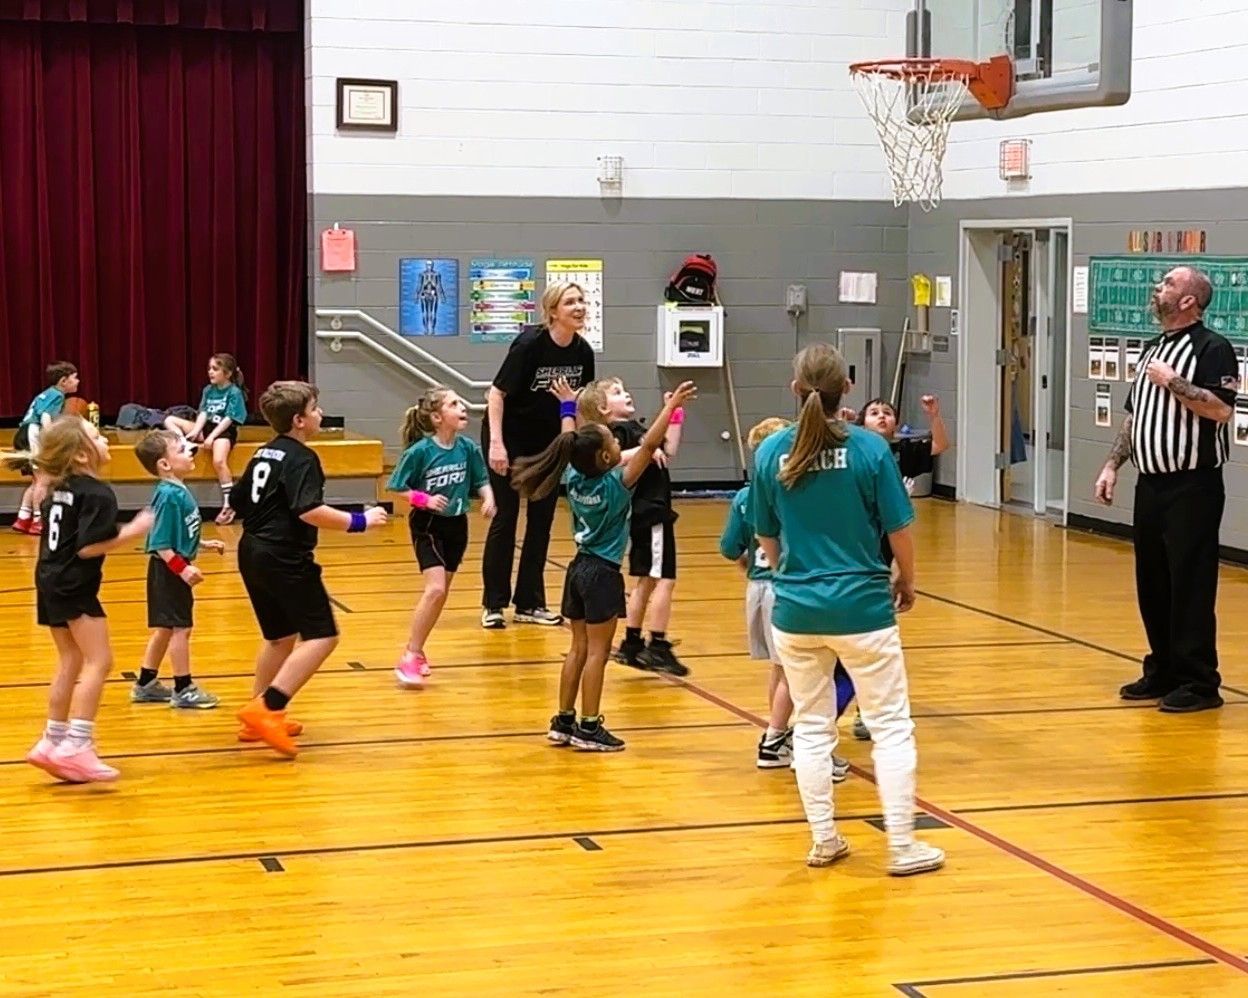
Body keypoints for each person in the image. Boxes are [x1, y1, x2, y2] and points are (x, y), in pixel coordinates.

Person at [750, 343, 943, 876]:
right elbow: (899, 526)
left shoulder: (770, 453)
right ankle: (903, 846)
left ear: (795, 390)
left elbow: (765, 534)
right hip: (862, 607)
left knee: (811, 730)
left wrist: (786, 571)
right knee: (890, 727)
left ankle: (824, 839)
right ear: (848, 392)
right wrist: (908, 578)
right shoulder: (868, 449)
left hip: (796, 611)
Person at [512, 380, 697, 752]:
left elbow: (571, 440)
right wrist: (671, 406)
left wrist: (568, 406)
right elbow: (649, 445)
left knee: (577, 649)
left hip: (576, 569)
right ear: (607, 458)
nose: (618, 444)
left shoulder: (573, 475)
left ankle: (563, 720)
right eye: (613, 443)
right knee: (597, 653)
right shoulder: (618, 483)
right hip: (601, 575)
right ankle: (589, 726)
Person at [1095, 265, 1236, 714]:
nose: (1158, 289)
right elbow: (1134, 416)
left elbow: (1220, 411)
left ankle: (1199, 682)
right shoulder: (1153, 347)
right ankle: (1164, 669)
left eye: (1168, 284)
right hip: (1150, 483)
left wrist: (1172, 382)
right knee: (1152, 580)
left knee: (1190, 583)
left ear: (1189, 300)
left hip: (1192, 486)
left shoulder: (1214, 348)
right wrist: (1112, 464)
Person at [231, 381, 387, 756]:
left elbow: (238, 499)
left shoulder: (263, 453)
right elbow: (309, 510)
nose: (320, 414)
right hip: (284, 556)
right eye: (315, 409)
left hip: (251, 550)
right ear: (299, 420)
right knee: (322, 636)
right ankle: (269, 707)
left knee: (280, 637)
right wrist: (360, 522)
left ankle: (256, 716)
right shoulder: (303, 458)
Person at [5, 416, 154, 782]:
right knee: (99, 661)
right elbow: (87, 548)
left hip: (49, 578)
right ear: (83, 455)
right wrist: (131, 533)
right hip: (74, 582)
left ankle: (51, 740)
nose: (104, 440)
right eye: (96, 437)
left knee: (70, 659)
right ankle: (77, 744)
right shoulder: (97, 493)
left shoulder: (55, 488)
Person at [720, 416, 854, 775]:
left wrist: (753, 570)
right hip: (787, 587)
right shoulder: (793, 490)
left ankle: (775, 738)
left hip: (758, 587)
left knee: (781, 669)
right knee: (803, 673)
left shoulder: (745, 496)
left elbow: (729, 547)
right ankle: (780, 740)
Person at [480, 282, 596, 630]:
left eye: (581, 301)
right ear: (552, 311)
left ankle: (530, 603)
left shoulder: (583, 352)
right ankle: (494, 603)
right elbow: (496, 394)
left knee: (541, 521)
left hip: (548, 442)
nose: (578, 307)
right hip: (510, 436)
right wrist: (497, 444)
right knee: (507, 516)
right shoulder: (530, 343)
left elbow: (582, 405)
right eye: (570, 302)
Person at [576, 377, 688, 675]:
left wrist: (673, 413)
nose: (626, 393)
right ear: (602, 408)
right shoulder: (617, 434)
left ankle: (632, 642)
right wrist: (643, 452)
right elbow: (610, 461)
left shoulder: (633, 429)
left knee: (646, 579)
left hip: (645, 514)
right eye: (616, 392)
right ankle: (658, 646)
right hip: (650, 512)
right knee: (664, 579)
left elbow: (669, 449)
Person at [387, 387, 496, 687]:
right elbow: (396, 488)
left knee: (440, 594)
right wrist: (422, 499)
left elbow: (481, 479)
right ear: (437, 417)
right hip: (428, 525)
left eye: (460, 402)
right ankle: (409, 655)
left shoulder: (468, 448)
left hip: (457, 525)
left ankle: (418, 650)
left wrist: (488, 498)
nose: (462, 407)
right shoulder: (420, 451)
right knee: (435, 590)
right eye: (453, 404)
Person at [129, 430, 225, 709]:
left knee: (164, 629)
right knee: (181, 629)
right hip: (168, 571)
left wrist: (202, 543)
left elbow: (177, 533)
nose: (190, 452)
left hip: (169, 568)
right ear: (165, 464)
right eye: (182, 450)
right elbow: (160, 543)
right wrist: (183, 570)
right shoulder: (170, 495)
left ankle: (145, 683)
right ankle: (183, 688)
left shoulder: (177, 489)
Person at [165, 353, 248, 525]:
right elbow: (203, 413)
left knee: (219, 461)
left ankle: (229, 504)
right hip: (206, 428)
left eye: (215, 369)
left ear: (228, 373)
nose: (210, 372)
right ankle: (185, 444)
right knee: (170, 420)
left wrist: (211, 437)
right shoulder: (208, 390)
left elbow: (229, 419)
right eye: (209, 368)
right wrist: (196, 431)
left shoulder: (234, 392)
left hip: (223, 432)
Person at [12, 361, 80, 536]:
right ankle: (38, 520)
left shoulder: (47, 394)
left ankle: (23, 517)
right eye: (75, 378)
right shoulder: (57, 395)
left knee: (36, 480)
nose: (78, 381)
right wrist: (52, 438)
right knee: (44, 480)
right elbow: (45, 417)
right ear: (64, 381)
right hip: (33, 433)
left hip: (24, 433)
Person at [417, 260, 447, 334]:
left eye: (430, 265)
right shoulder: (422, 274)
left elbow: (439, 286)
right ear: (426, 265)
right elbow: (419, 285)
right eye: (428, 265)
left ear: (432, 265)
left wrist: (443, 296)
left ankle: (433, 329)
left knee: (433, 313)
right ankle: (426, 329)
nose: (429, 267)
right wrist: (417, 296)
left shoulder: (436, 274)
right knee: (425, 313)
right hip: (424, 295)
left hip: (434, 295)